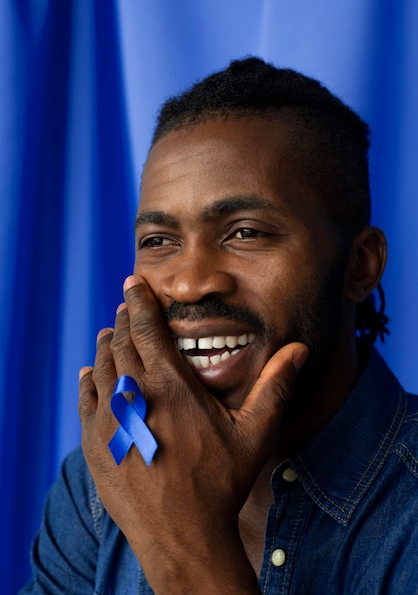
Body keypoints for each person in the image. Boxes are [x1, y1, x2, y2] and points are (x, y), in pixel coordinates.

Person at [20, 57, 418, 594]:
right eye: (159, 241)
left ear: (360, 265)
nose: (187, 285)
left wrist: (186, 546)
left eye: (246, 232)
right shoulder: (101, 485)